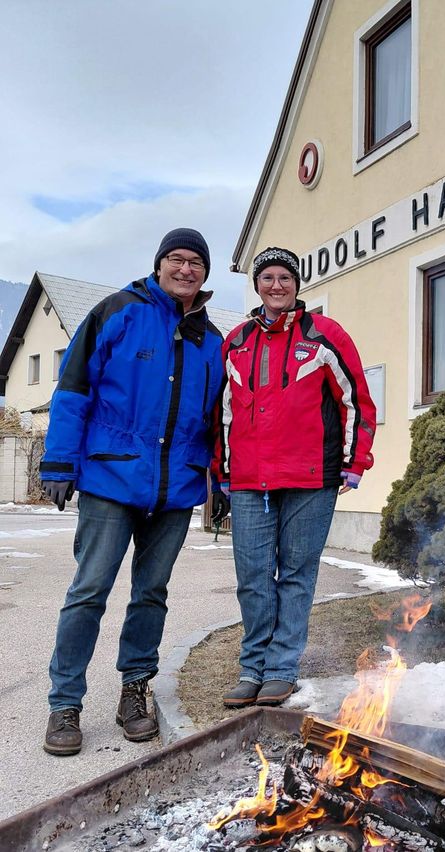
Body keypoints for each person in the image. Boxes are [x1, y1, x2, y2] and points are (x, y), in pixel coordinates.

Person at [39, 228, 225, 756]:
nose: (186, 269)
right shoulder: (117, 311)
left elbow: (216, 420)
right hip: (110, 478)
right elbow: (73, 387)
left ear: (205, 274)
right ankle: (65, 702)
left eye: (195, 263)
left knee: (151, 593)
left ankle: (134, 691)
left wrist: (220, 478)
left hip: (176, 486)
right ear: (159, 263)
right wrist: (58, 459)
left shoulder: (210, 340)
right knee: (89, 589)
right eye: (177, 259)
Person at [211, 246, 376, 709]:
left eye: (285, 277)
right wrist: (222, 470)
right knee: (253, 576)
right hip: (248, 480)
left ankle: (282, 669)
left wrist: (353, 461)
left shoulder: (324, 335)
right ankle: (252, 667)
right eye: (267, 278)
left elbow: (356, 401)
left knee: (297, 574)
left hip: (311, 478)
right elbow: (222, 412)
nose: (276, 286)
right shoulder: (238, 341)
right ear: (257, 285)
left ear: (297, 284)